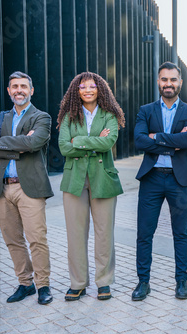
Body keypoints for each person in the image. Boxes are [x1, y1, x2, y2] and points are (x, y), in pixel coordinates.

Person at [0, 71, 54, 305]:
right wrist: (19, 147)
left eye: (23, 86)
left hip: (30, 188)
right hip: (3, 189)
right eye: (14, 86)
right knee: (13, 240)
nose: (19, 90)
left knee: (36, 239)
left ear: (31, 90)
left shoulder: (41, 117)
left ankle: (43, 285)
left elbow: (34, 142)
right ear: (9, 91)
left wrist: (1, 144)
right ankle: (26, 284)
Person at [132, 62, 187, 301]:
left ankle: (181, 282)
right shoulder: (146, 110)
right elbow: (139, 141)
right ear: (158, 81)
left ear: (180, 82)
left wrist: (156, 138)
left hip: (180, 180)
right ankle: (143, 282)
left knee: (180, 233)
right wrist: (173, 141)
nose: (168, 84)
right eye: (164, 79)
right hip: (151, 178)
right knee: (144, 233)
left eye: (173, 79)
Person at [57, 72, 125, 301]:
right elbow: (64, 147)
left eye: (92, 86)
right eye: (83, 87)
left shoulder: (109, 115)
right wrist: (93, 142)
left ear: (100, 89)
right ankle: (78, 283)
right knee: (76, 235)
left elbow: (108, 142)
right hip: (74, 180)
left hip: (102, 178)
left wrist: (79, 141)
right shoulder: (68, 116)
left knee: (104, 234)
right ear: (76, 91)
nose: (87, 90)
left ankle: (104, 282)